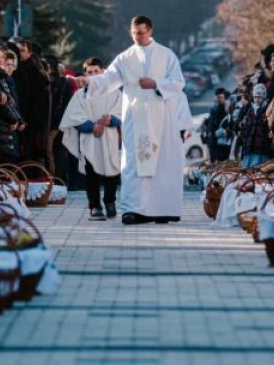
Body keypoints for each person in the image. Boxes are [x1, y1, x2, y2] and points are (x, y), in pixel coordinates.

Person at [75, 16, 185, 225]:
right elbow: (108, 78)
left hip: (160, 118)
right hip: (136, 116)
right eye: (134, 33)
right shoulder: (125, 58)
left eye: (142, 32)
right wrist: (89, 80)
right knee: (134, 162)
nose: (138, 36)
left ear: (150, 31)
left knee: (161, 161)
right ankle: (134, 209)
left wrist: (156, 83)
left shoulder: (166, 55)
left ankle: (162, 208)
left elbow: (178, 82)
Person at [61, 57, 122, 220]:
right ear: (85, 74)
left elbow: (122, 112)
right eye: (89, 72)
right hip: (90, 139)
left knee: (112, 171)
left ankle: (110, 201)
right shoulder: (80, 95)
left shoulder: (114, 92)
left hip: (109, 138)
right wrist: (90, 126)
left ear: (103, 72)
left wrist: (112, 120)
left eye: (96, 72)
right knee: (92, 172)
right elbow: (73, 117)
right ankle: (95, 206)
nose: (93, 75)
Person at [239, 83, 271, 168]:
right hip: (249, 146)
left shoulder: (267, 109)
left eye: (259, 97)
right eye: (255, 97)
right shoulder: (251, 109)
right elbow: (246, 127)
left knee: (259, 170)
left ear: (264, 97)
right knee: (247, 170)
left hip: (261, 147)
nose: (257, 99)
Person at [204, 88, 230, 162]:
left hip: (222, 143)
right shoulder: (214, 108)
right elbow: (210, 124)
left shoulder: (226, 109)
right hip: (212, 142)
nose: (219, 99)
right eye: (218, 97)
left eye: (221, 97)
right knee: (213, 164)